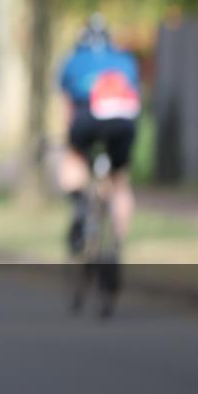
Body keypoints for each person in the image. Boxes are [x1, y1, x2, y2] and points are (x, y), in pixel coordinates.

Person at [58, 14, 141, 259]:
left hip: (87, 116)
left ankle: (82, 208)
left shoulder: (72, 61)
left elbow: (67, 110)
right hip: (123, 121)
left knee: (73, 160)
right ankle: (117, 243)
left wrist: (71, 142)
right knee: (120, 182)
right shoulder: (125, 59)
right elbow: (135, 97)